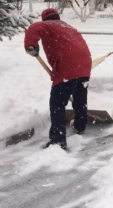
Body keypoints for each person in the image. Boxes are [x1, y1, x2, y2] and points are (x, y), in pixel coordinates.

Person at [24, 8, 92, 150]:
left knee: (57, 104)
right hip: (84, 66)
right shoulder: (69, 27)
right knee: (80, 100)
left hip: (67, 68)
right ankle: (80, 127)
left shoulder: (49, 25)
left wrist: (31, 45)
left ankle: (58, 139)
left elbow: (34, 27)